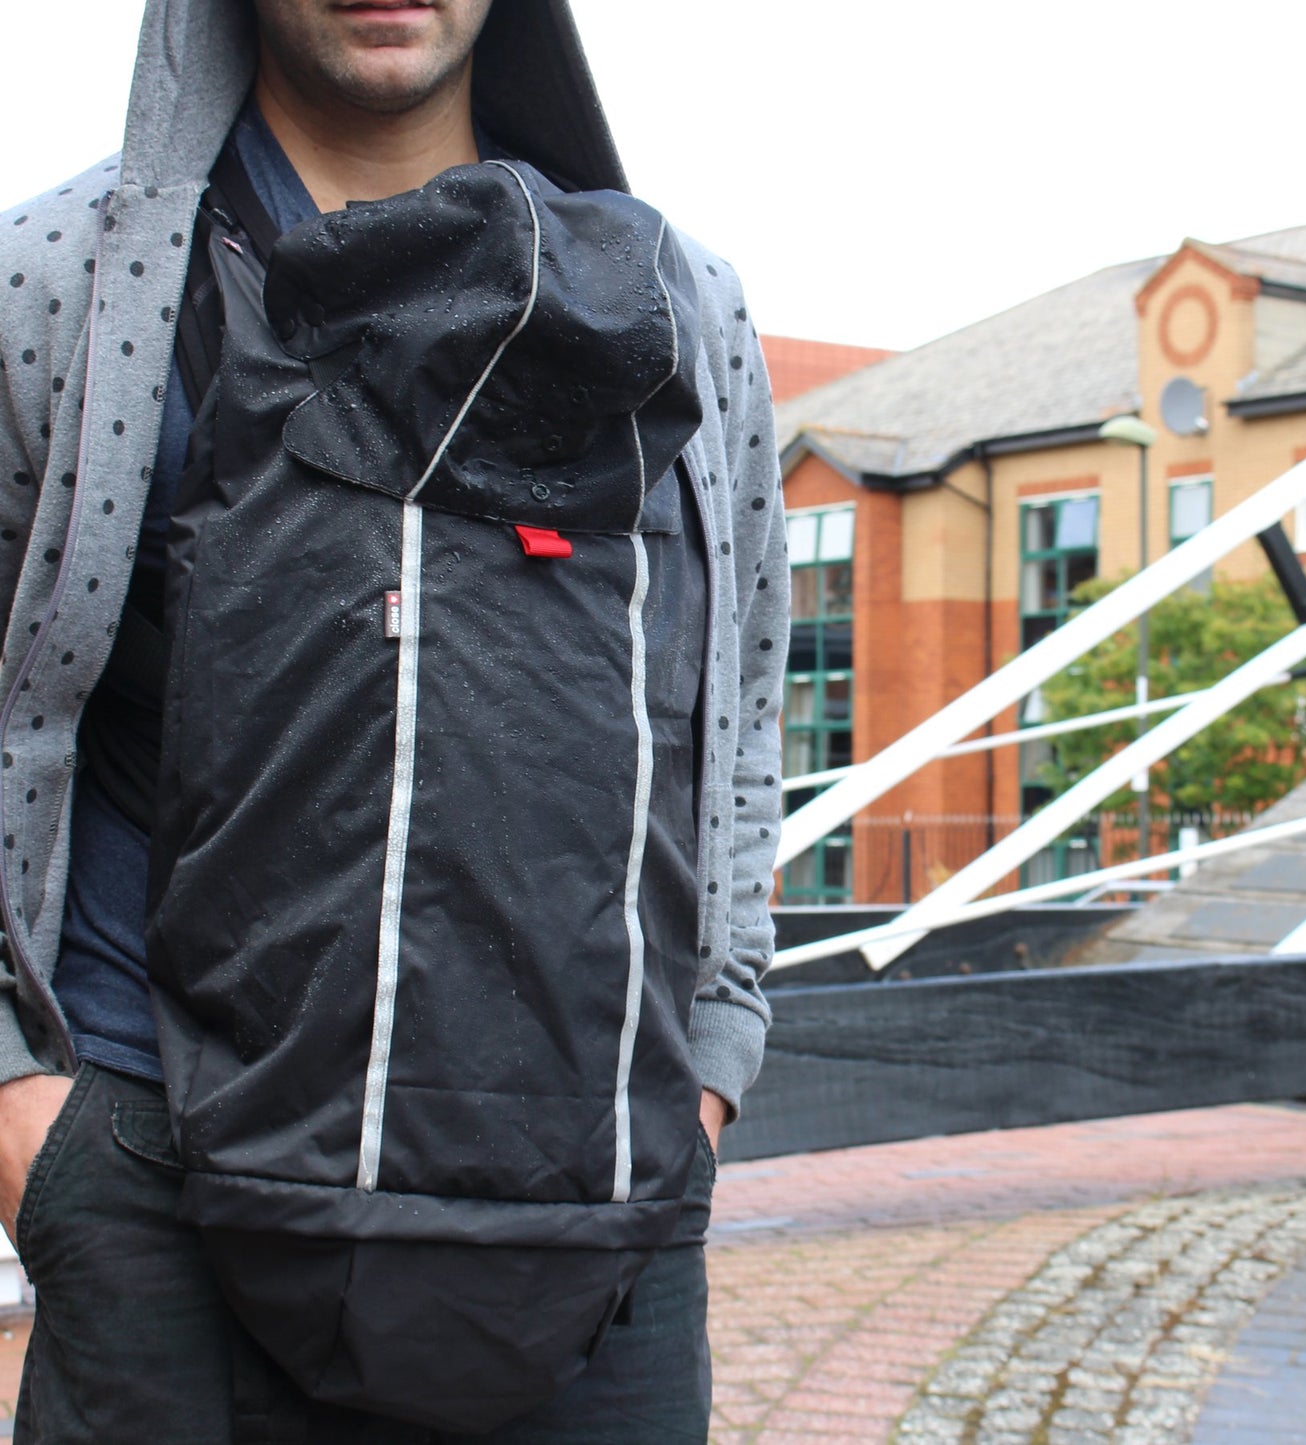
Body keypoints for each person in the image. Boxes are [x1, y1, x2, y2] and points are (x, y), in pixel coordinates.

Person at [0, 0, 786, 1438]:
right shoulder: (68, 283)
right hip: (155, 1177)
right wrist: (20, 1106)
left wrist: (712, 1061)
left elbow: (729, 704)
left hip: (601, 1189)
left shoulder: (678, 305)